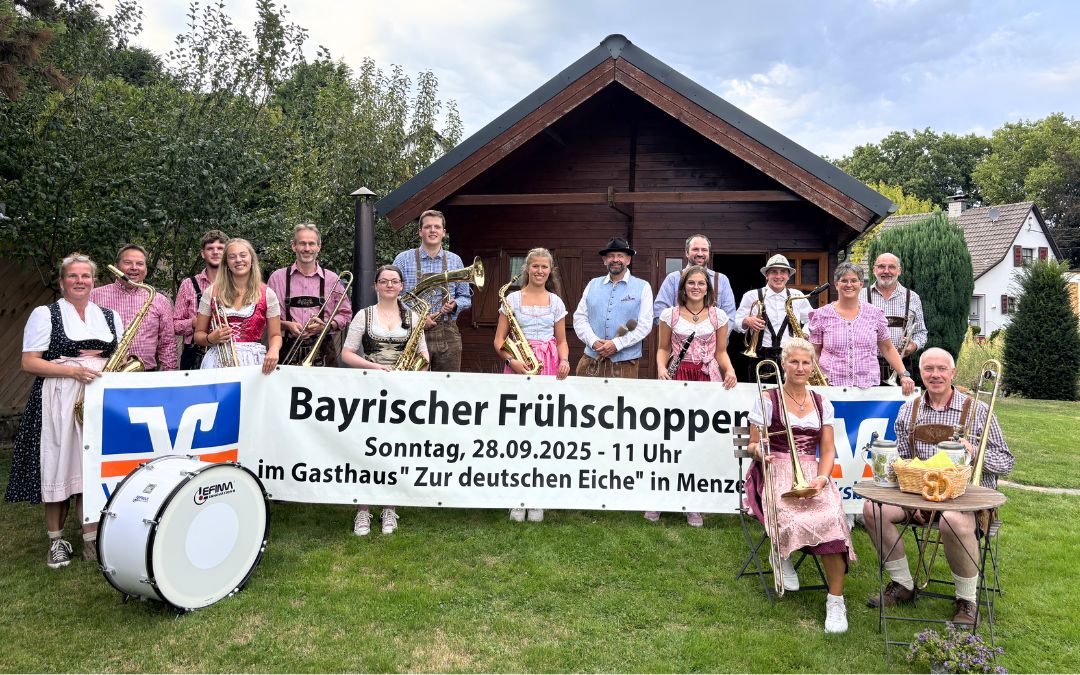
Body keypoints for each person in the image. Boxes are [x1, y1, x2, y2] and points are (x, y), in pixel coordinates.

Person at [863, 348, 1014, 625]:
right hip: (919, 499)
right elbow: (906, 464)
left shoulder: (978, 410)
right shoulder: (909, 409)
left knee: (951, 521)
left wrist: (976, 450)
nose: (935, 375)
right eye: (929, 369)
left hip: (966, 503)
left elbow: (1006, 462)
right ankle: (903, 584)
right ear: (920, 374)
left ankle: (967, 601)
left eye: (942, 369)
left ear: (952, 373)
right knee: (873, 509)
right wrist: (914, 502)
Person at [4, 253, 123, 568]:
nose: (80, 281)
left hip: (99, 399)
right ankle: (56, 541)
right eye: (73, 276)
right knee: (59, 465)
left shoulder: (110, 316)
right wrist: (73, 371)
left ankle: (91, 540)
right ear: (61, 282)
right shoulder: (46, 314)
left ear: (93, 281)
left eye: (86, 276)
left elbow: (120, 359)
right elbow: (29, 362)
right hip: (59, 399)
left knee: (92, 468)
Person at [744, 338, 855, 633]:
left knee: (834, 519)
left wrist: (822, 477)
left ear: (813, 366)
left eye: (806, 362)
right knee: (792, 516)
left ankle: (835, 601)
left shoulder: (821, 402)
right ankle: (780, 552)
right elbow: (753, 444)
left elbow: (828, 449)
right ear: (783, 364)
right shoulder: (767, 399)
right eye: (794, 361)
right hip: (774, 469)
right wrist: (759, 449)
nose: (800, 367)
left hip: (811, 472)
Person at [341, 264, 430, 536]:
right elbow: (347, 353)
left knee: (395, 449)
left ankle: (390, 507)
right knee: (365, 449)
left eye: (394, 281)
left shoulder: (414, 317)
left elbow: (425, 357)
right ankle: (363, 510)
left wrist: (412, 377)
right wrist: (374, 367)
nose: (390, 285)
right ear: (376, 286)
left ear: (402, 286)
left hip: (402, 392)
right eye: (384, 281)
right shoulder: (363, 315)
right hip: (370, 388)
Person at [649, 265, 737, 527]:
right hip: (678, 378)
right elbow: (663, 348)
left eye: (701, 283)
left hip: (707, 379)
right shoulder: (670, 315)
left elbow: (721, 351)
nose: (696, 287)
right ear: (683, 287)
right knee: (670, 441)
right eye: (691, 283)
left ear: (707, 288)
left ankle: (694, 504)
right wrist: (662, 368)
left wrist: (729, 369)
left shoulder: (718, 316)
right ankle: (659, 499)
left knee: (699, 443)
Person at [493, 248, 570, 523]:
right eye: (535, 266)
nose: (539, 271)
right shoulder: (512, 299)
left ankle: (537, 497)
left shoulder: (556, 302)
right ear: (527, 268)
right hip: (519, 366)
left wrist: (564, 360)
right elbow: (499, 340)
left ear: (550, 271)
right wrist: (513, 362)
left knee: (542, 434)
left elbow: (561, 340)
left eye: (544, 267)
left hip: (547, 368)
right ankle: (515, 496)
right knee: (517, 433)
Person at [807, 262, 915, 396]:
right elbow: (814, 352)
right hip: (830, 387)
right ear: (836, 284)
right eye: (844, 281)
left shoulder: (874, 314)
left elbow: (887, 348)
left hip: (867, 389)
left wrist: (903, 374)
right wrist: (807, 377)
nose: (849, 285)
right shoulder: (821, 315)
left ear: (861, 284)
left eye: (854, 280)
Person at [392, 210, 472, 372]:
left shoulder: (455, 260)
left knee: (446, 386)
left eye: (437, 227)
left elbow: (466, 297)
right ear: (420, 231)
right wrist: (418, 319)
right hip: (410, 331)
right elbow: (393, 298)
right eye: (428, 227)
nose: (432, 230)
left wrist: (455, 304)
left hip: (447, 332)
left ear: (444, 232)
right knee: (411, 385)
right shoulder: (403, 259)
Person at [268, 223, 352, 367]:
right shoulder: (277, 278)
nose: (307, 249)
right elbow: (265, 316)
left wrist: (326, 326)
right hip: (286, 348)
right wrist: (286, 325)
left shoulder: (332, 279)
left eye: (311, 244)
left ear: (319, 247)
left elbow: (345, 314)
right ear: (294, 246)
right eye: (302, 244)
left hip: (323, 350)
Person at [193, 238, 281, 374]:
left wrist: (273, 350)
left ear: (252, 259)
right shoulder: (211, 292)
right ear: (226, 263)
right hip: (218, 362)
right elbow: (198, 335)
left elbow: (275, 334)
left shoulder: (268, 294)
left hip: (254, 362)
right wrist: (210, 339)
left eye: (243, 255)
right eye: (232, 257)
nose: (238, 260)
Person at [572, 237, 653, 378]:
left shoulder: (643, 287)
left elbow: (644, 325)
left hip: (626, 365)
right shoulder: (593, 284)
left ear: (628, 260)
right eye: (611, 256)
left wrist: (617, 344)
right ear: (605, 260)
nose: (615, 259)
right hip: (591, 361)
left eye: (620, 255)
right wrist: (593, 341)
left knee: (623, 401)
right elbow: (580, 318)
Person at [90, 244, 177, 372]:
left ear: (146, 269)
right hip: (103, 372)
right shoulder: (94, 296)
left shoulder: (160, 300)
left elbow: (167, 343)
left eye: (140, 264)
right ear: (116, 267)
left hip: (145, 374)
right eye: (127, 263)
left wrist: (170, 375)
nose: (134, 268)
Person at [733, 254, 813, 380]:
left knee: (788, 395)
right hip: (759, 357)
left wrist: (805, 333)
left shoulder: (797, 295)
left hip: (790, 357)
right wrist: (746, 321)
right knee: (760, 396)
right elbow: (736, 323)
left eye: (783, 272)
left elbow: (812, 319)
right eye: (773, 272)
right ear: (767, 275)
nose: (778, 276)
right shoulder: (751, 295)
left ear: (788, 276)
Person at [652, 234, 736, 331]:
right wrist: (679, 337)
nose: (700, 253)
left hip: (713, 345)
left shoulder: (721, 280)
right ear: (687, 253)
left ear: (708, 253)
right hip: (679, 344)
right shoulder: (673, 279)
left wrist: (712, 342)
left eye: (704, 250)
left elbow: (729, 317)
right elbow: (659, 313)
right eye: (695, 249)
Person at [866, 253, 927, 384]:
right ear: (874, 270)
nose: (886, 271)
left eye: (891, 267)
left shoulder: (913, 297)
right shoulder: (861, 296)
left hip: (902, 366)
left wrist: (914, 345)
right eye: (881, 266)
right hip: (866, 365)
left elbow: (921, 332)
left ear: (899, 271)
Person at [174, 230, 228, 370]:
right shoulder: (188, 284)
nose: (215, 252)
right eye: (210, 248)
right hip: (195, 354)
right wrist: (195, 323)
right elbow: (175, 325)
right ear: (203, 253)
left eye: (220, 248)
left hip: (228, 351)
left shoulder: (237, 284)